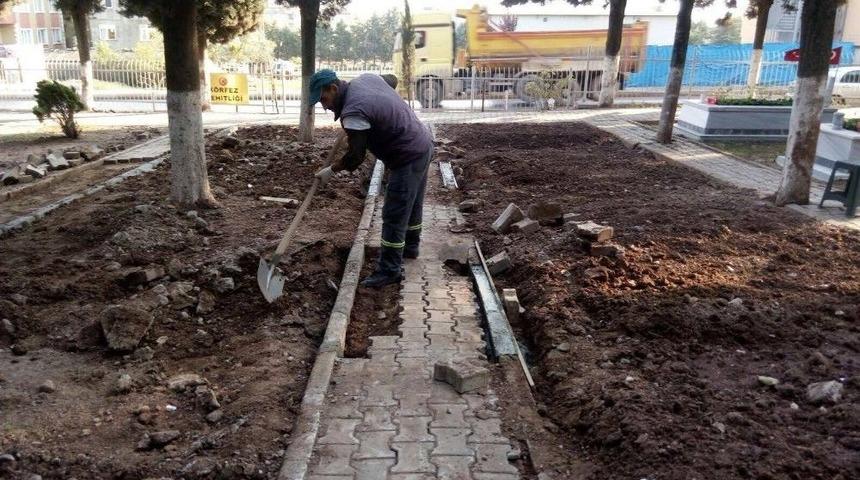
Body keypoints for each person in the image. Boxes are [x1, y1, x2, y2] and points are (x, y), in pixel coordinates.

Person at [310, 69, 433, 288]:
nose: (324, 106)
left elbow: (356, 157)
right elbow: (392, 80)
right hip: (422, 143)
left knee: (394, 213)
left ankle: (389, 270)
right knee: (412, 203)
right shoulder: (366, 79)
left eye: (323, 99)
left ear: (334, 88)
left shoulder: (354, 113)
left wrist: (331, 170)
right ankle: (411, 247)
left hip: (407, 155)